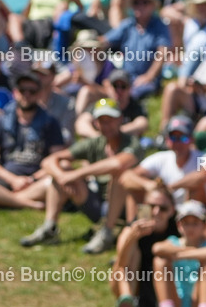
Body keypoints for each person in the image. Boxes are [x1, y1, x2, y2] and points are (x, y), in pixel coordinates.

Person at [20, 98, 141, 253]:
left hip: (125, 207)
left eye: (110, 120)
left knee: (120, 176)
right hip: (98, 204)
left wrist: (77, 174)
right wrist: (62, 176)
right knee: (62, 169)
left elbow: (118, 164)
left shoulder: (132, 143)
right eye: (102, 121)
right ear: (96, 123)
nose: (106, 125)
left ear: (120, 120)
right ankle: (49, 227)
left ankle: (107, 233)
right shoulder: (95, 142)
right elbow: (49, 160)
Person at [0, 71, 65, 212]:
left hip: (35, 181)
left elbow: (57, 160)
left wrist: (32, 179)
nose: (26, 95)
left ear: (39, 94)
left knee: (54, 182)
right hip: (5, 179)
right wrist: (13, 180)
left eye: (32, 91)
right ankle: (23, 202)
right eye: (22, 90)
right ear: (15, 93)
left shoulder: (50, 123)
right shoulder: (2, 120)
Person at [120, 116, 206, 213]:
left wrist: (170, 187)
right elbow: (126, 177)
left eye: (183, 138)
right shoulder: (161, 158)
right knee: (134, 187)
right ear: (167, 140)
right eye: (173, 138)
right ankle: (135, 224)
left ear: (191, 139)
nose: (178, 143)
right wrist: (148, 185)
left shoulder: (204, 157)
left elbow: (202, 177)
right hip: (166, 212)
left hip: (195, 214)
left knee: (196, 188)